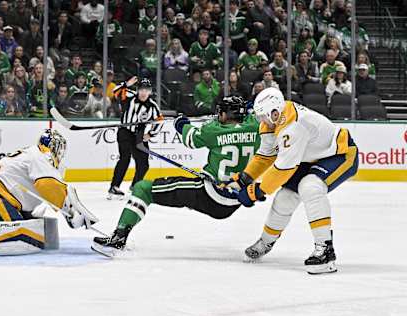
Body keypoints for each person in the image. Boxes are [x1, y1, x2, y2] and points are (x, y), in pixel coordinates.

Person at [91, 96, 260, 257]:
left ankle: (118, 237)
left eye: (220, 112)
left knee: (143, 188)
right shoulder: (256, 128)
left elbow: (190, 139)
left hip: (210, 194)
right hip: (236, 199)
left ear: (225, 114)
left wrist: (181, 124)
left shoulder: (213, 131)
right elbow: (254, 120)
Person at [232, 87, 359, 274]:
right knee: (285, 196)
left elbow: (283, 168)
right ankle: (266, 242)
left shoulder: (293, 125)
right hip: (310, 158)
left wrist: (255, 192)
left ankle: (325, 250)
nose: (262, 121)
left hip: (340, 154)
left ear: (274, 112)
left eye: (263, 116)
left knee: (310, 187)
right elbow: (266, 156)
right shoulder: (271, 122)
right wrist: (243, 179)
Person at [0, 129, 97, 257]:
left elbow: (51, 192)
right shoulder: (42, 156)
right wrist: (70, 212)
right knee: (20, 233)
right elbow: (47, 185)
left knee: (33, 227)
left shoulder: (35, 153)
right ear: (55, 146)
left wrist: (70, 212)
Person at [108, 77, 163, 199]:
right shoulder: (129, 96)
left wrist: (150, 134)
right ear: (137, 90)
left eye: (146, 90)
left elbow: (159, 121)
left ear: (150, 92)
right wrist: (126, 84)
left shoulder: (152, 106)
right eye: (141, 89)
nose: (144, 93)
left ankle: (135, 186)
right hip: (125, 132)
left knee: (143, 164)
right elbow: (115, 92)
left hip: (139, 135)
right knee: (125, 158)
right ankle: (114, 187)